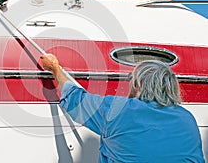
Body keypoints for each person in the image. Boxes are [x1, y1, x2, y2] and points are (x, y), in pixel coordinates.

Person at [40, 54, 205, 162]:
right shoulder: (187, 118)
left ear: (139, 83)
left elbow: (75, 99)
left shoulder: (117, 110)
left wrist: (55, 68)